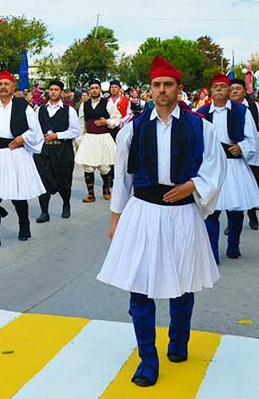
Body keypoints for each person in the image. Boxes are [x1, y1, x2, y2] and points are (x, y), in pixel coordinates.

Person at [98, 55, 225, 388]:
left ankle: (178, 341)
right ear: (150, 89)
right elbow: (123, 178)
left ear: (179, 89)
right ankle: (147, 360)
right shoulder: (133, 128)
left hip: (183, 213)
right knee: (140, 289)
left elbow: (215, 168)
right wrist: (116, 219)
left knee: (183, 287)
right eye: (157, 85)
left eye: (168, 85)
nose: (162, 90)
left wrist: (193, 185)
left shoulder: (201, 126)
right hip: (143, 213)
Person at [0, 70, 45, 248]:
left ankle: (24, 226)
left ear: (13, 87)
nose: (3, 87)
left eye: (6, 84)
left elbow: (35, 130)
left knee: (18, 195)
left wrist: (23, 138)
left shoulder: (24, 106)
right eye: (0, 84)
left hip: (15, 152)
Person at [198, 74, 259, 262]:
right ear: (210, 90)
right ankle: (212, 252)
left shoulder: (241, 111)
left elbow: (252, 138)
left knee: (235, 210)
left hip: (234, 165)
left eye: (223, 86)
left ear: (228, 89)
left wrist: (241, 147)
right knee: (211, 210)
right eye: (215, 86)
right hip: (210, 167)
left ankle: (233, 246)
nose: (219, 89)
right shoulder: (202, 112)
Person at [34, 80, 80, 222]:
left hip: (63, 150)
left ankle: (66, 204)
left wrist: (58, 135)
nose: (53, 92)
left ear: (61, 92)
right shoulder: (39, 110)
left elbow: (75, 131)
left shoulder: (69, 110)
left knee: (64, 180)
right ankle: (44, 212)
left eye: (56, 89)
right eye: (51, 89)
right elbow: (34, 129)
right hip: (44, 150)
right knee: (43, 181)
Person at [76, 79, 121, 203]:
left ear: (100, 89)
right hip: (89, 138)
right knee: (88, 167)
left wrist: (106, 122)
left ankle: (106, 188)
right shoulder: (84, 105)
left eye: (96, 88)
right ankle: (91, 194)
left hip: (104, 137)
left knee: (104, 167)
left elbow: (117, 118)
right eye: (92, 88)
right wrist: (80, 139)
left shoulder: (107, 103)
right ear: (89, 90)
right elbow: (81, 123)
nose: (94, 90)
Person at [229, 79, 259, 230]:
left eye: (238, 88)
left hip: (254, 152)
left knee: (252, 184)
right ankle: (232, 221)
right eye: (232, 88)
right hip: (235, 155)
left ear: (244, 91)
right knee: (234, 188)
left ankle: (252, 215)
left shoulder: (253, 107)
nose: (234, 91)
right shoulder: (227, 109)